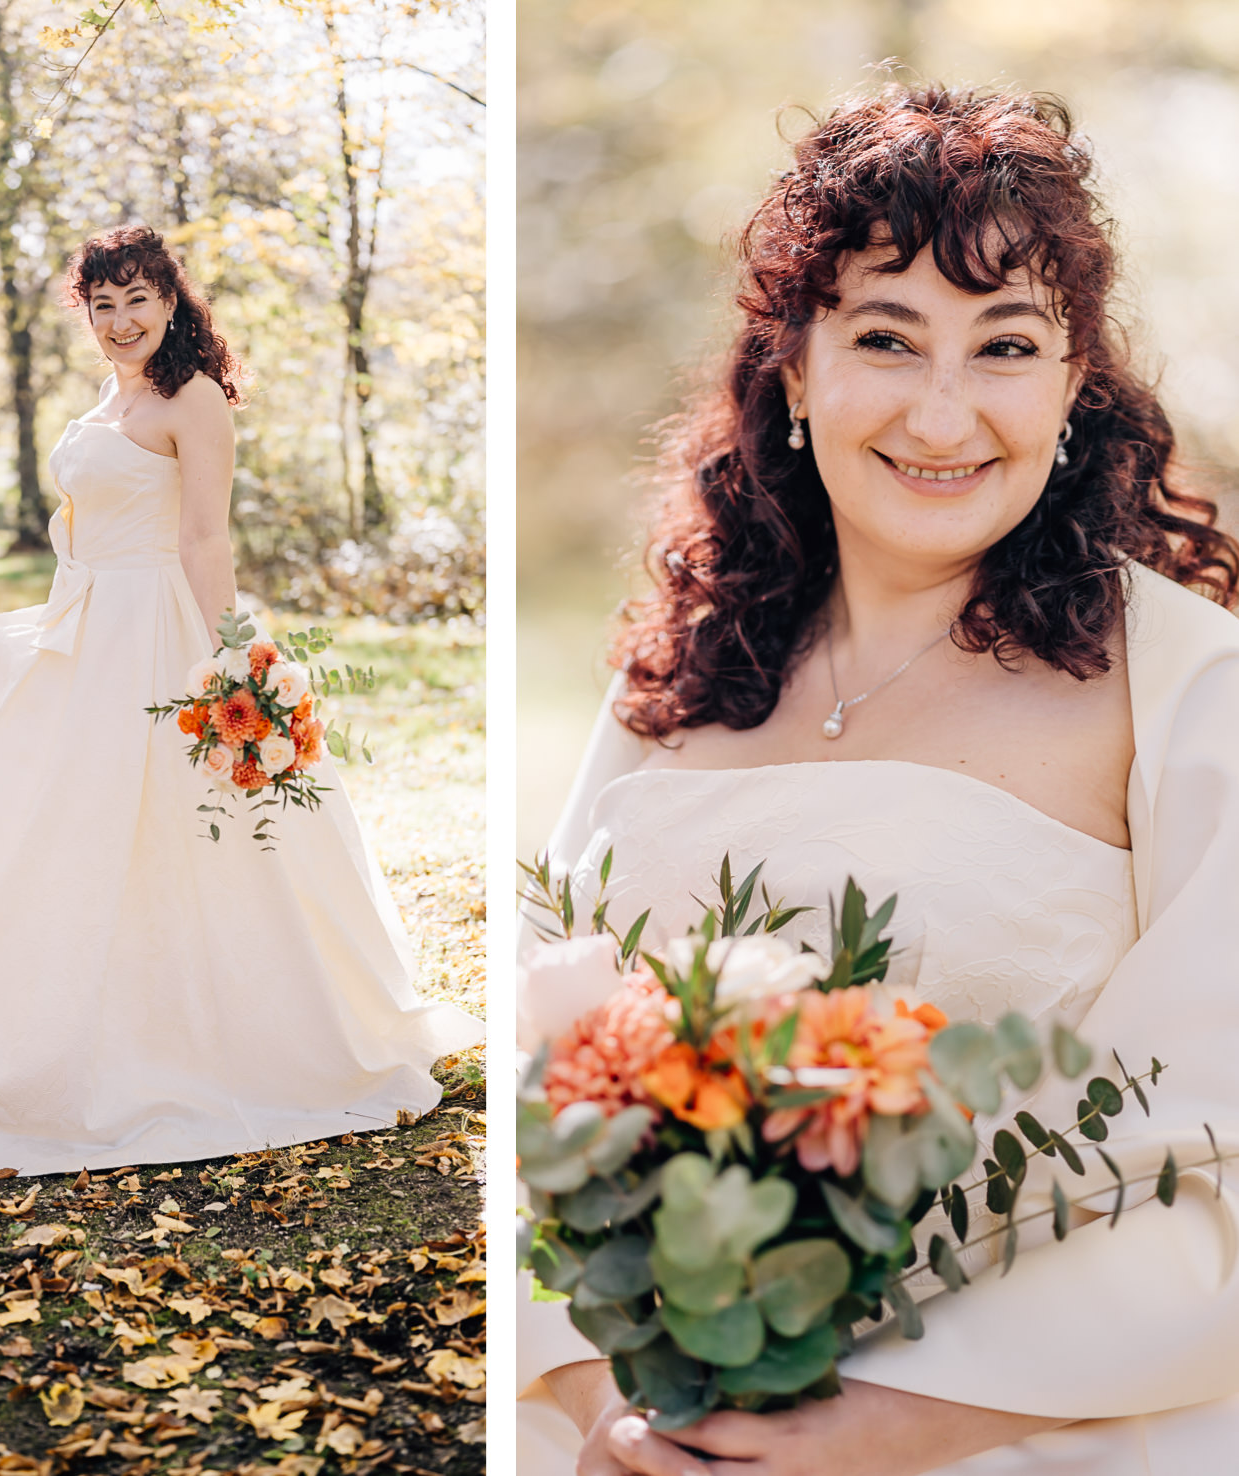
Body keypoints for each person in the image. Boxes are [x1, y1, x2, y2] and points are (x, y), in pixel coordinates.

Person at [518, 85, 1239, 1475]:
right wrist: (592, 1399)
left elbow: (1214, 1141)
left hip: (1023, 1430)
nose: (945, 411)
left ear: (1077, 386)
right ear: (794, 372)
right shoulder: (680, 670)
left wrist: (886, 1426)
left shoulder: (1186, 688)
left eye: (1007, 344)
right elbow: (545, 1060)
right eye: (887, 337)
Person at [0, 225, 482, 1178]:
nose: (120, 323)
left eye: (137, 302)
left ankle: (205, 1041)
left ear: (171, 302)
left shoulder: (193, 401)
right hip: (81, 624)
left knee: (168, 826)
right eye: (103, 306)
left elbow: (204, 542)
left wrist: (234, 659)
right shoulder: (110, 395)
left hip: (158, 624)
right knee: (45, 825)